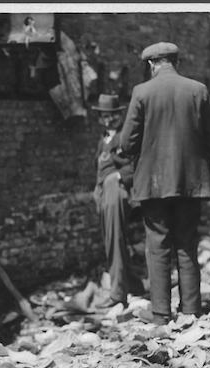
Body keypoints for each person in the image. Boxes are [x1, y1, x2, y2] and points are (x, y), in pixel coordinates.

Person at [119, 42, 210, 325]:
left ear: (152, 64)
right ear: (176, 62)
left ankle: (161, 314)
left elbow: (127, 143)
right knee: (187, 245)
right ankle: (191, 311)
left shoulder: (142, 92)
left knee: (158, 246)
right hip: (190, 184)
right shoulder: (198, 90)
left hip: (153, 185)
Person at [91, 93, 144, 308]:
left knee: (115, 240)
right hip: (104, 192)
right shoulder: (102, 139)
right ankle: (134, 286)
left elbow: (138, 163)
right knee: (111, 241)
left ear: (119, 116)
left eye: (112, 116)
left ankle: (117, 294)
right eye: (104, 116)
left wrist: (119, 177)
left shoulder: (125, 136)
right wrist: (97, 189)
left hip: (117, 190)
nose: (107, 120)